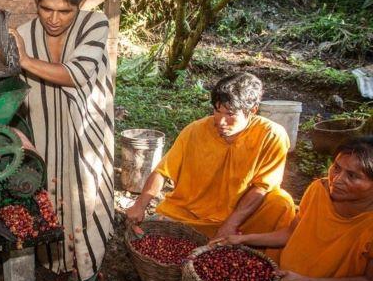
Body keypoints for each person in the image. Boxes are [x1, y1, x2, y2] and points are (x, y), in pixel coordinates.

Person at [10, 0, 114, 281]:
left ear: (80, 4)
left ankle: (85, 274)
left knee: (85, 201)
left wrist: (25, 59)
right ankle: (56, 270)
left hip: (85, 138)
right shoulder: (24, 33)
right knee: (48, 201)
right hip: (42, 138)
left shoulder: (94, 25)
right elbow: (9, 91)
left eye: (65, 11)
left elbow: (78, 74)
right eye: (46, 9)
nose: (54, 19)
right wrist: (16, 131)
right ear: (36, 2)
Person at [212, 137, 373, 281]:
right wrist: (242, 239)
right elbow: (291, 233)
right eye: (336, 168)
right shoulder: (318, 190)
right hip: (293, 276)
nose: (337, 179)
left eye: (352, 176)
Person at [126, 73, 296, 250]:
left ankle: (263, 258)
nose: (221, 121)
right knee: (156, 236)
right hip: (190, 213)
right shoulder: (195, 131)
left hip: (243, 215)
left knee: (281, 204)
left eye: (230, 114)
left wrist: (230, 224)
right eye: (217, 111)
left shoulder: (271, 135)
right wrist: (140, 205)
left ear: (252, 111)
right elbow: (162, 171)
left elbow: (262, 187)